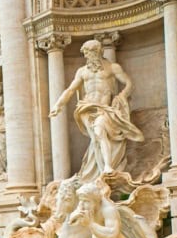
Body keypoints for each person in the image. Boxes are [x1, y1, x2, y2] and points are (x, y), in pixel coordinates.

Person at [49, 38, 144, 181]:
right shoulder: (82, 72)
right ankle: (101, 170)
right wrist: (58, 105)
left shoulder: (112, 67)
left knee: (99, 131)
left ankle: (106, 167)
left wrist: (122, 96)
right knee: (96, 137)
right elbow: (70, 90)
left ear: (97, 52)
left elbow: (129, 83)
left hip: (104, 108)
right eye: (85, 53)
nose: (86, 56)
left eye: (88, 53)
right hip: (86, 109)